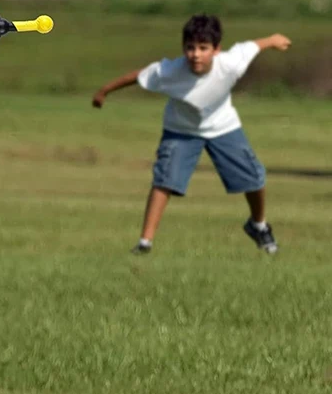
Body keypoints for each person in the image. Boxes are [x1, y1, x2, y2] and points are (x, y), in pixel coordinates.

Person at [91, 14, 290, 254]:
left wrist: (273, 40)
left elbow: (252, 46)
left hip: (223, 126)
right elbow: (137, 76)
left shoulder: (230, 63)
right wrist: (104, 91)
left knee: (255, 178)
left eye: (203, 48)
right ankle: (145, 243)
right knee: (164, 180)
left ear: (216, 49)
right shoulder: (170, 71)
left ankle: (258, 226)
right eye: (190, 48)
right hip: (180, 130)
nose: (195, 54)